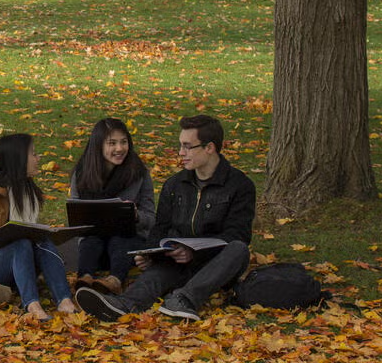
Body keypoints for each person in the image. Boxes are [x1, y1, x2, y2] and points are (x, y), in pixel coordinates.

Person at [76, 114, 255, 321]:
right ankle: (123, 305)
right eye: (180, 145)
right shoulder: (174, 185)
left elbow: (237, 234)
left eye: (188, 146)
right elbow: (160, 228)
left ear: (209, 148)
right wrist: (151, 254)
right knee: (159, 271)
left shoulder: (240, 185)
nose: (181, 153)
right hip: (177, 261)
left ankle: (184, 300)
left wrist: (195, 253)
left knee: (239, 249)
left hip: (215, 264)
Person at [0, 133, 77, 320]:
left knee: (42, 239)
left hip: (23, 261)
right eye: (34, 154)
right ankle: (31, 304)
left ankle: (64, 300)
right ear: (17, 159)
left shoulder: (29, 192)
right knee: (20, 243)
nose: (39, 159)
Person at [69, 118, 156, 295]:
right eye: (112, 143)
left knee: (120, 238)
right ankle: (84, 280)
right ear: (98, 146)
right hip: (94, 249)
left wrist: (136, 216)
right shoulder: (82, 173)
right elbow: (76, 222)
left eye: (124, 142)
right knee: (91, 240)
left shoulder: (139, 172)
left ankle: (114, 281)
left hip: (128, 247)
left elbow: (152, 219)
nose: (119, 148)